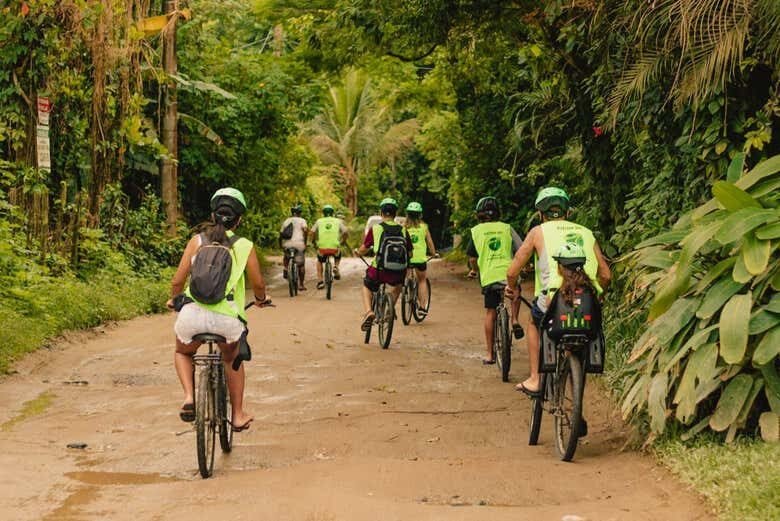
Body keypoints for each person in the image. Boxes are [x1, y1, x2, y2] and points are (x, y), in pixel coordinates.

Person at [167, 188, 271, 433]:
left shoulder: (197, 241)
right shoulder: (244, 245)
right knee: (231, 359)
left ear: (212, 215)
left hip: (192, 316)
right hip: (227, 320)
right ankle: (237, 415)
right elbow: (258, 284)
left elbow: (177, 281)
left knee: (183, 352)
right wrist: (261, 299)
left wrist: (175, 300)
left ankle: (189, 398)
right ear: (239, 219)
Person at [505, 187, 611, 396]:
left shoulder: (538, 232)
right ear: (567, 212)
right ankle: (576, 393)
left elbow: (513, 269)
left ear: (541, 214)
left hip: (553, 298)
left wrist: (511, 287)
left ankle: (535, 379)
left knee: (533, 323)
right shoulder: (586, 233)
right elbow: (606, 275)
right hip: (587, 299)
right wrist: (599, 295)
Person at [466, 196, 524, 364]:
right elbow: (520, 248)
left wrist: (474, 270)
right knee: (516, 290)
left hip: (489, 277)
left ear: (479, 214)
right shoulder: (507, 228)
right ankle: (514, 319)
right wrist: (523, 267)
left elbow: (472, 257)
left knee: (491, 312)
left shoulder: (476, 231)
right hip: (508, 274)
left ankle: (490, 355)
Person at [355, 198, 412, 331]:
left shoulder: (376, 228)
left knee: (367, 285)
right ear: (395, 213)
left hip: (379, 270)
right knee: (398, 286)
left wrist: (358, 252)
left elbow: (364, 249)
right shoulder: (403, 230)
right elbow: (409, 253)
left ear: (381, 213)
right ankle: (389, 310)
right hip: (398, 271)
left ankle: (369, 312)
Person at [404, 201, 438, 315]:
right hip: (419, 259)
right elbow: (429, 242)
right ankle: (422, 308)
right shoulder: (424, 227)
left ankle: (406, 288)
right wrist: (433, 253)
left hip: (406, 258)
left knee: (406, 275)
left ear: (407, 214)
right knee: (422, 280)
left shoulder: (403, 228)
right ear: (420, 215)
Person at [310, 204, 348, 289]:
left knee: (319, 261)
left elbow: (312, 232)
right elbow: (345, 232)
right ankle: (336, 267)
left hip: (322, 248)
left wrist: (313, 242)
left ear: (323, 213)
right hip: (334, 247)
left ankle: (320, 281)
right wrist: (343, 241)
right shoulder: (338, 221)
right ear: (332, 213)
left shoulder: (319, 221)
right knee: (338, 254)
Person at [280, 203, 308, 291]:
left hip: (288, 244)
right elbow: (305, 231)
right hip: (299, 244)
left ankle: (285, 268)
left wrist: (280, 244)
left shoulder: (287, 221)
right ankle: (301, 285)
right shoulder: (302, 221)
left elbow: (281, 233)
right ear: (300, 213)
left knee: (286, 255)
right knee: (301, 265)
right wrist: (305, 242)